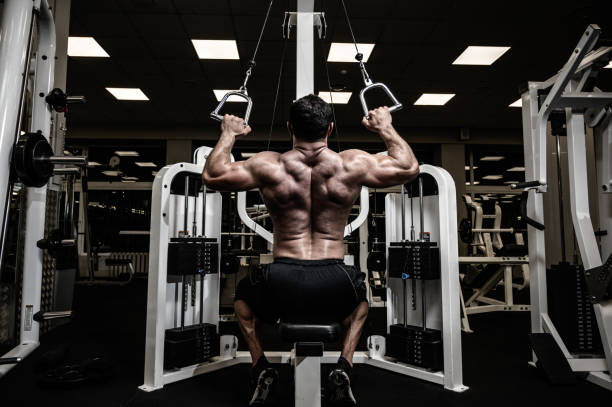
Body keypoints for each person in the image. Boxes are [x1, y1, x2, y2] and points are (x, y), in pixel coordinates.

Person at [202, 94, 419, 406]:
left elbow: (212, 175)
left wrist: (228, 133)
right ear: (330, 128)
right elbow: (408, 167)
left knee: (242, 304)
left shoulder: (269, 165)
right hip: (334, 278)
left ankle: (260, 366)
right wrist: (385, 128)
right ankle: (343, 367)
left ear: (290, 127)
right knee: (360, 305)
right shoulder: (351, 163)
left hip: (281, 280)